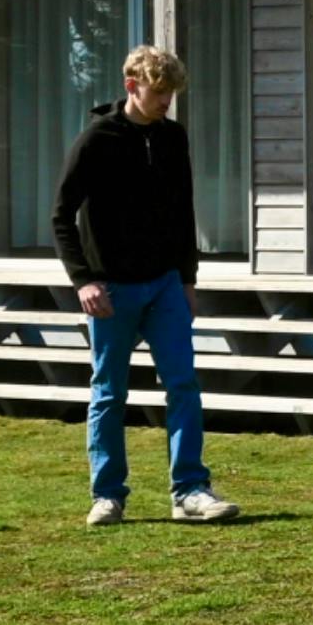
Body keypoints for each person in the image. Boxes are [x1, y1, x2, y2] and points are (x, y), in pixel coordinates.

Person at [55, 44, 237, 525]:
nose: (165, 102)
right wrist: (84, 280)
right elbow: (61, 216)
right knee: (109, 393)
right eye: (159, 92)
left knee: (183, 385)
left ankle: (191, 492)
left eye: (171, 94)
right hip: (111, 290)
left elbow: (183, 213)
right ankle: (108, 495)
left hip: (165, 287)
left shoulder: (173, 138)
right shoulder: (96, 140)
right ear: (132, 85)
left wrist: (188, 280)